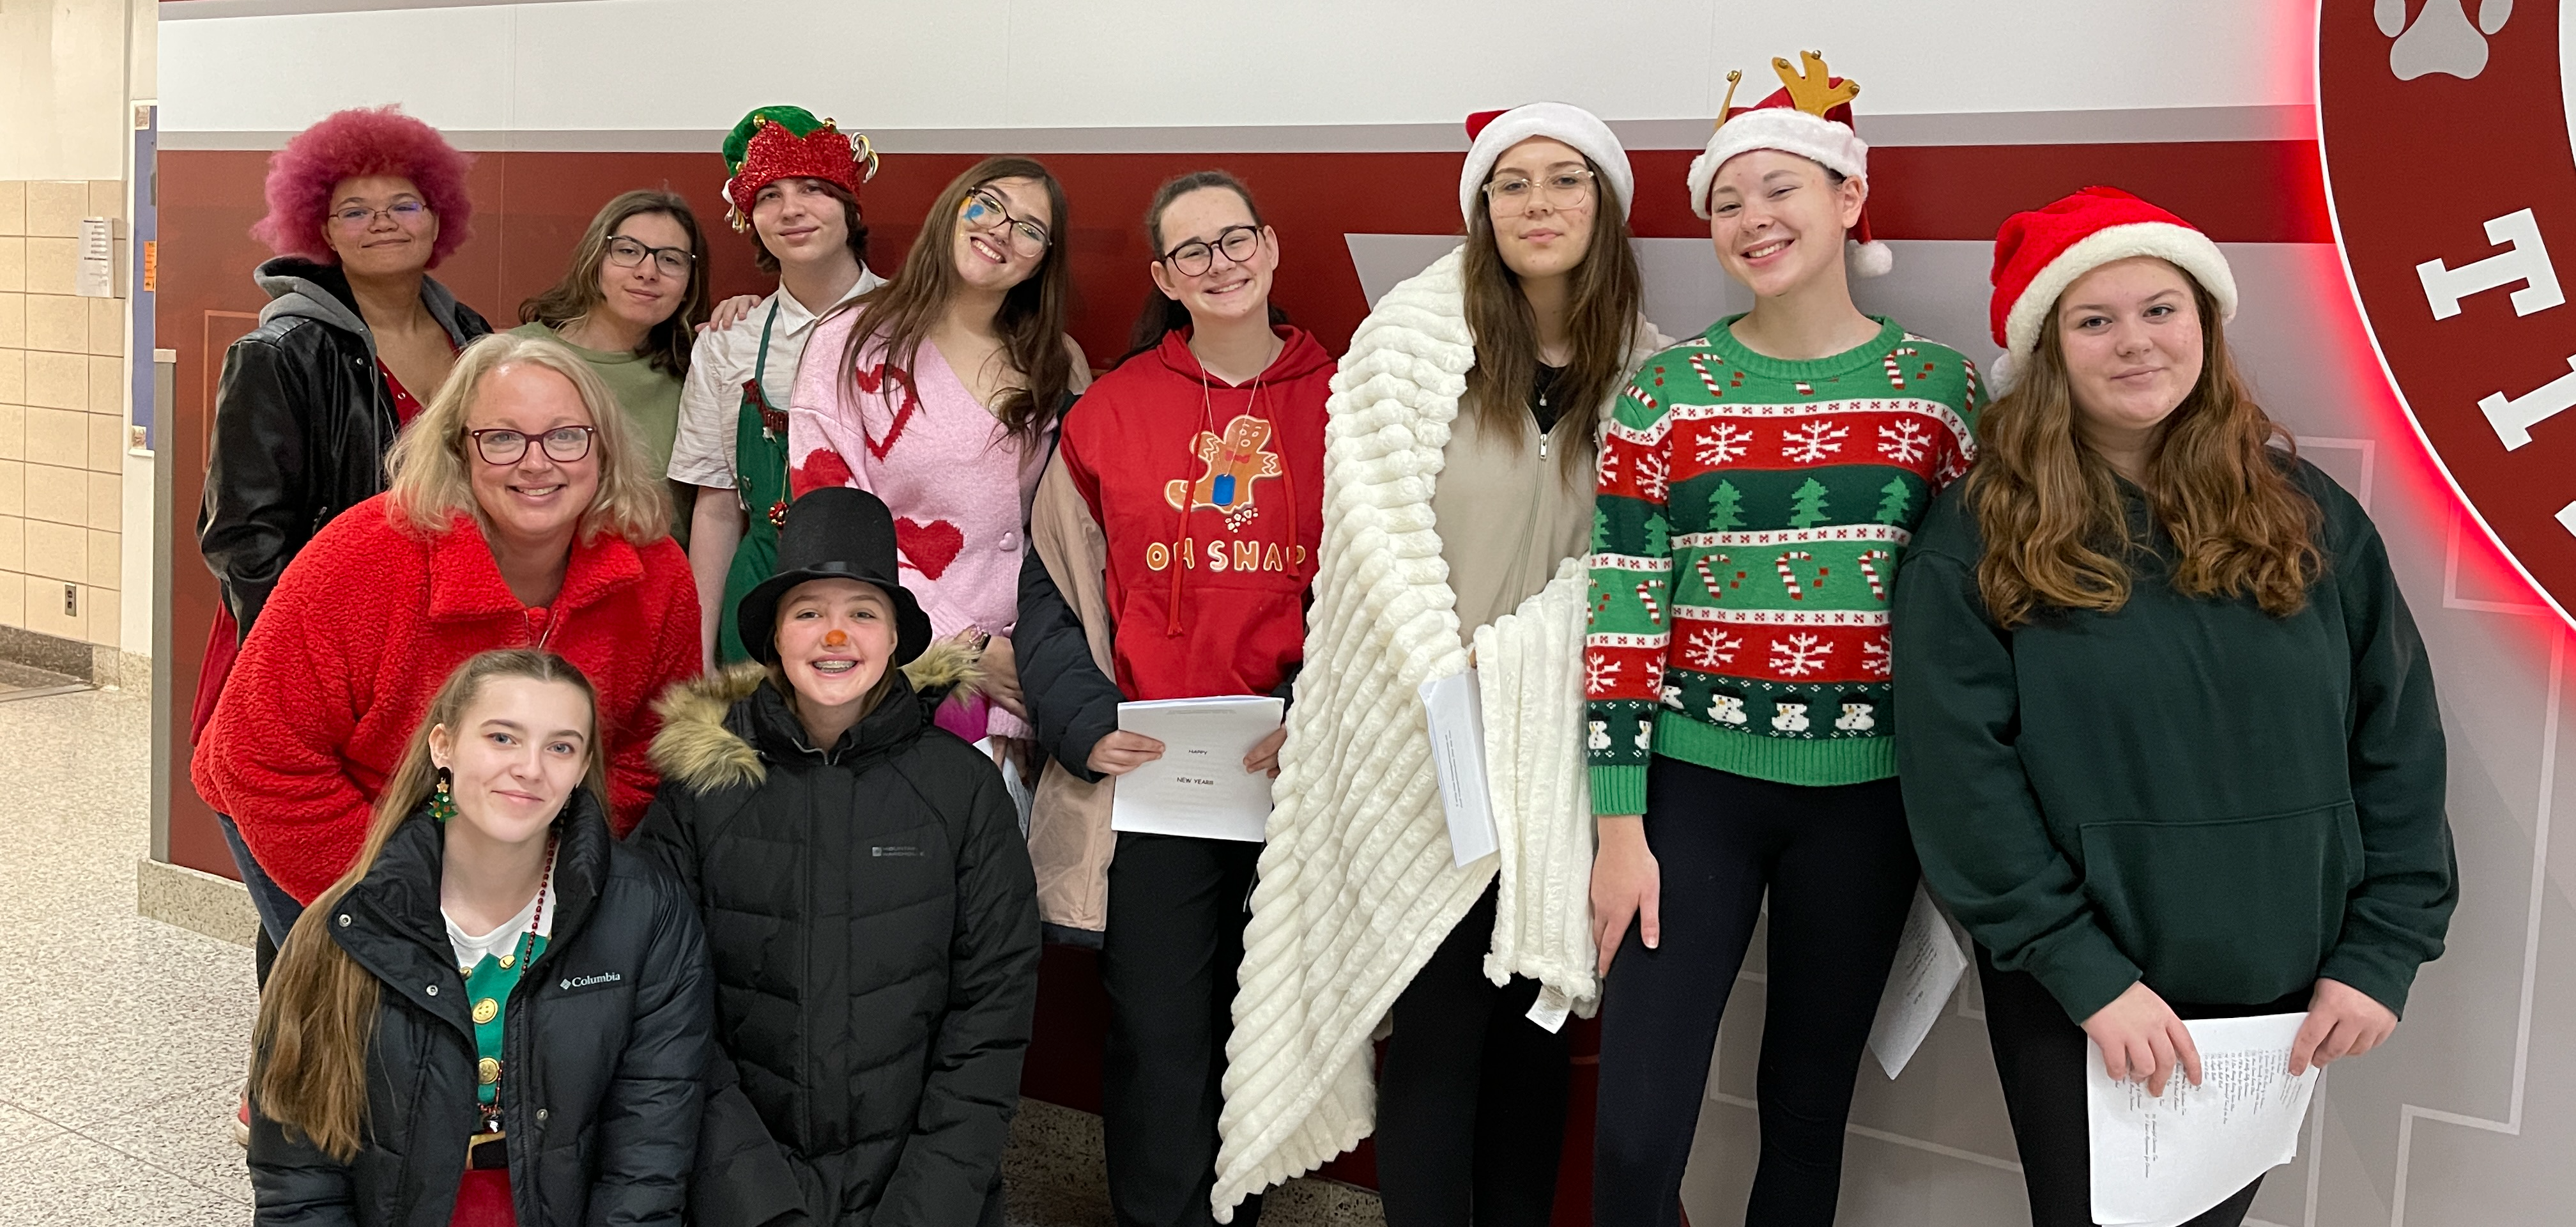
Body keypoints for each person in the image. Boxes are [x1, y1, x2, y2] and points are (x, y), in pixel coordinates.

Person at [1894, 186, 2458, 1227]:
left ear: (2204, 323)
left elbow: (2396, 744)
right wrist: (2084, 973)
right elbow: (1958, 781)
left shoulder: (2310, 517)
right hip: (2090, 991)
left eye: (2160, 308)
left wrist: (2382, 952)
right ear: (2048, 351)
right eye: (2093, 319)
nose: (2134, 342)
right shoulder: (1975, 537)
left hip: (2282, 990)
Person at [1214, 104, 1667, 1226]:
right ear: (1481, 209)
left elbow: (1638, 558)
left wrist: (1520, 669)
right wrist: (1444, 683)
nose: (1538, 204)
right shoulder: (1409, 345)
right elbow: (1370, 539)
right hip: (1422, 741)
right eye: (1511, 185)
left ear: (1603, 208)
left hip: (1556, 743)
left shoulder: (1650, 372)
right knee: (1435, 1030)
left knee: (1533, 1032)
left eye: (1565, 181)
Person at [1577, 54, 1979, 1226]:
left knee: (1804, 1114)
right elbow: (1620, 616)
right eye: (1725, 201)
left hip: (1869, 800)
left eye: (1780, 189)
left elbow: (1974, 622)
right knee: (1635, 1131)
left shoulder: (1940, 396)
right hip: (1688, 790)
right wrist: (1617, 822)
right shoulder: (1665, 396)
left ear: (1850, 199)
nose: (1753, 220)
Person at [1013, 171, 1329, 1227]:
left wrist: (1323, 710)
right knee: (1156, 1027)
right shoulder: (1109, 411)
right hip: (1158, 783)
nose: (1219, 263)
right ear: (1162, 276)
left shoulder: (1350, 401)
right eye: (1191, 251)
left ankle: (1241, 1209)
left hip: (1301, 773)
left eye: (1234, 239)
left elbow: (1393, 587)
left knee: (1270, 1022)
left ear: (1271, 247)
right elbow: (1050, 592)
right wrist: (1082, 719)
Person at [632, 486, 1041, 1227]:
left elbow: (991, 1018)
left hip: (924, 1196)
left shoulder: (963, 792)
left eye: (862, 613)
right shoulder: (700, 788)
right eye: (809, 613)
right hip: (739, 1195)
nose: (834, 636)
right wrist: (758, 1205)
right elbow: (667, 1013)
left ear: (893, 638)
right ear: (775, 639)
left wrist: (924, 1209)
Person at [194, 332, 701, 918]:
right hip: (319, 806)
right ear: (459, 451)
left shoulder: (656, 571)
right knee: (373, 998)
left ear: (603, 449)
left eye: (566, 437)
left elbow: (651, 749)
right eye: (503, 439)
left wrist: (548, 869)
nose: (537, 463)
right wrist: (411, 901)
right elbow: (261, 756)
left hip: (511, 835)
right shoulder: (362, 557)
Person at [247, 649, 712, 1227]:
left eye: (560, 747)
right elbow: (298, 1179)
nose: (530, 769)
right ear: (443, 747)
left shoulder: (648, 914)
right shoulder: (343, 926)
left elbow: (649, 1154)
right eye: (502, 738)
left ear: (583, 766)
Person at [198, 103, 492, 983]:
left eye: (403, 203)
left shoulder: (472, 338)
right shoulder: (281, 352)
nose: (381, 224)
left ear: (440, 216)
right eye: (353, 210)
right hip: (310, 657)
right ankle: (295, 1090)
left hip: (439, 650)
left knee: (362, 885)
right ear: (317, 227)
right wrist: (323, 657)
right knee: (318, 889)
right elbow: (243, 540)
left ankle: (286, 1070)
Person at [786, 155, 1090, 763]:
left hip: (1030, 676)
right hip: (899, 665)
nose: (1002, 231)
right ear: (955, 207)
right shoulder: (851, 340)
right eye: (989, 205)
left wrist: (1032, 653)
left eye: (1030, 229)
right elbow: (831, 515)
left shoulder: (1053, 360)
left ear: (1043, 261)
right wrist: (968, 647)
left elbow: (1064, 528)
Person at [668, 105, 887, 667]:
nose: (791, 210)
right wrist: (699, 657)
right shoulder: (727, 343)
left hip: (887, 596)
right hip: (759, 601)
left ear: (849, 206)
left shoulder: (914, 325)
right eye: (769, 195)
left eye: (814, 189)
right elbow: (717, 509)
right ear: (750, 218)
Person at [514, 189, 716, 542]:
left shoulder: (699, 372)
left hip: (657, 584)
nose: (648, 272)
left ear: (689, 284)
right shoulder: (515, 356)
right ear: (596, 260)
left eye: (671, 260)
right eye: (627, 251)